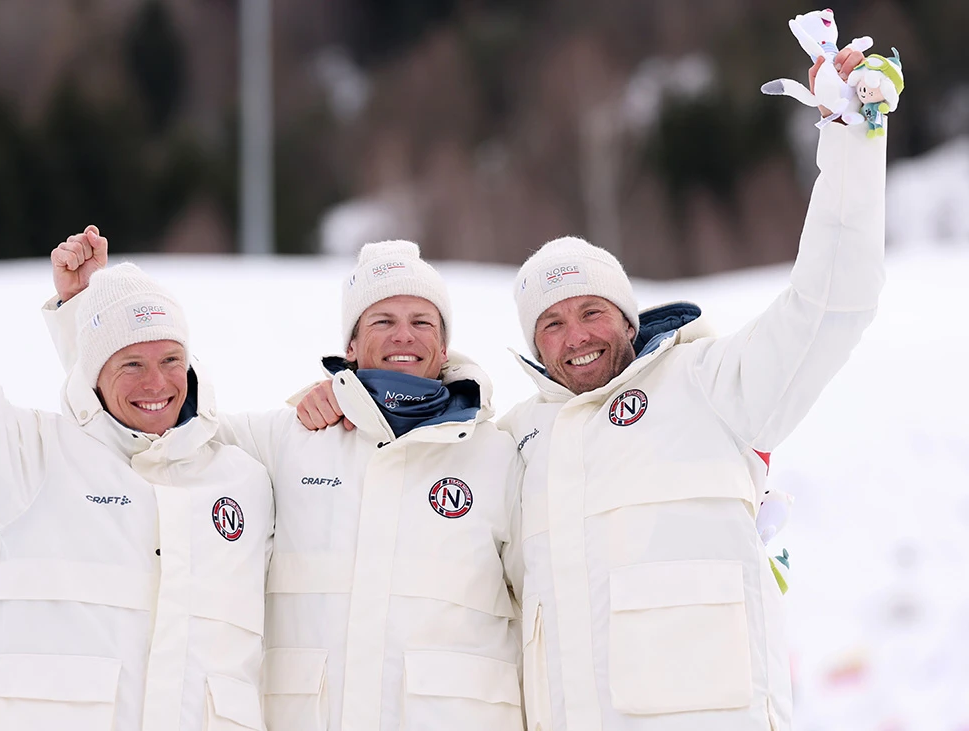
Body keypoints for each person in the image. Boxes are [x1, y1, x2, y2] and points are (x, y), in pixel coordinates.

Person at [298, 48, 882, 730]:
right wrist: (344, 398)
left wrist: (849, 137)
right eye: (551, 323)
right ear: (534, 344)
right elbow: (417, 502)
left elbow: (831, 303)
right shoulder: (515, 440)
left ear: (629, 320)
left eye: (591, 311)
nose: (575, 335)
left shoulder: (713, 386)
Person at [0, 109, 272, 731]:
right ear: (94, 373)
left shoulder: (241, 480)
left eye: (171, 359)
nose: (157, 383)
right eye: (131, 364)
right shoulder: (33, 461)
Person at [47, 240, 525, 731]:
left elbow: (542, 611)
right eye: (382, 321)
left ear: (444, 345)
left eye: (422, 322)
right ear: (352, 347)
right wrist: (89, 316)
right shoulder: (287, 440)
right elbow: (151, 419)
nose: (404, 335)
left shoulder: (498, 455)